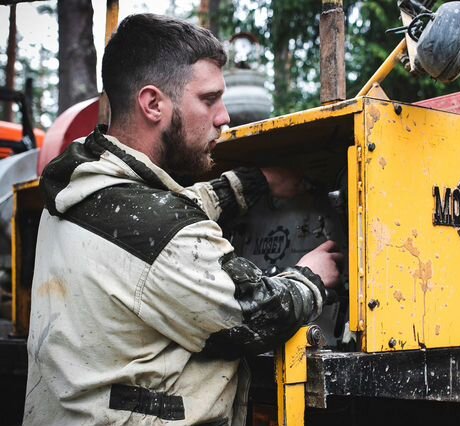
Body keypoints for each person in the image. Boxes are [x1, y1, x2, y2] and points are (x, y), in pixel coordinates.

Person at [23, 13, 342, 426]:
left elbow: (163, 212)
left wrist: (253, 182)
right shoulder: (160, 230)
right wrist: (311, 277)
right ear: (153, 103)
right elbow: (257, 313)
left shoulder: (82, 187)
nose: (224, 117)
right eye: (209, 100)